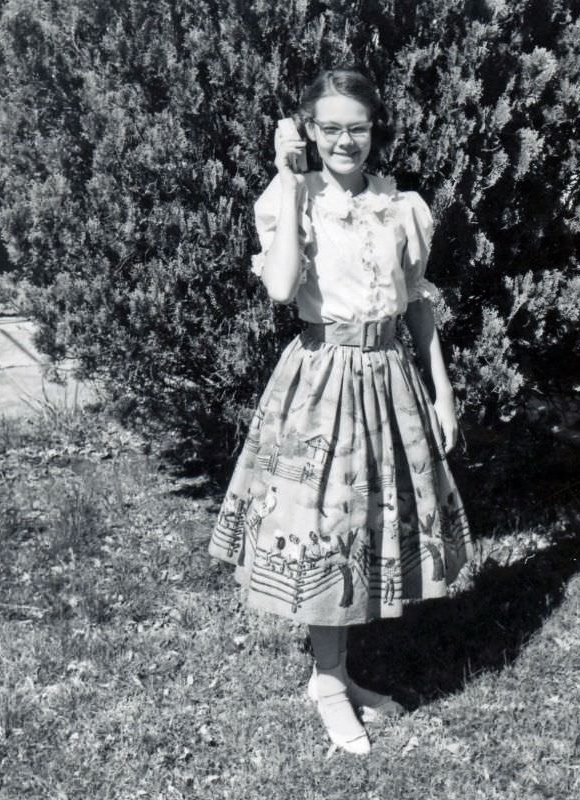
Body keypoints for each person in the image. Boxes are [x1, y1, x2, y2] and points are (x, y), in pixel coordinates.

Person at [209, 67, 473, 755]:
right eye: (330, 127)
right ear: (308, 130)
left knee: (366, 526)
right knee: (328, 528)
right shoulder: (289, 199)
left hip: (389, 379)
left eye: (357, 126)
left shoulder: (401, 206)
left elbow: (416, 302)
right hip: (324, 379)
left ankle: (337, 672)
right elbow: (282, 287)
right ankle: (329, 682)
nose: (345, 140)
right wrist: (290, 178)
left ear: (373, 130)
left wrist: (441, 389)